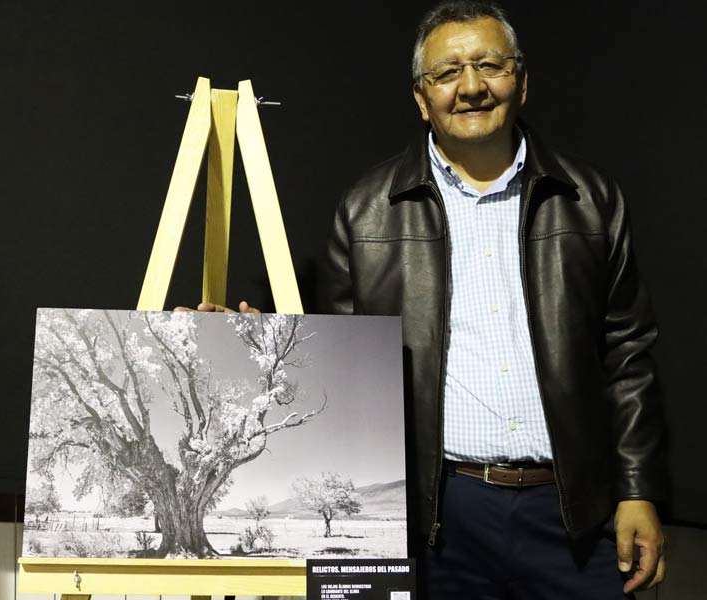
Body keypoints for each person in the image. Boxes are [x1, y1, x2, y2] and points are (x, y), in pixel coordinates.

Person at [181, 2, 667, 597]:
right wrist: (254, 341)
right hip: (436, 519)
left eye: (489, 65)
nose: (471, 87)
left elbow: (628, 356)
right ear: (420, 95)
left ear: (521, 78)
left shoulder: (591, 199)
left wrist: (638, 490)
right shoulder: (366, 209)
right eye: (446, 73)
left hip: (573, 515)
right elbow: (342, 354)